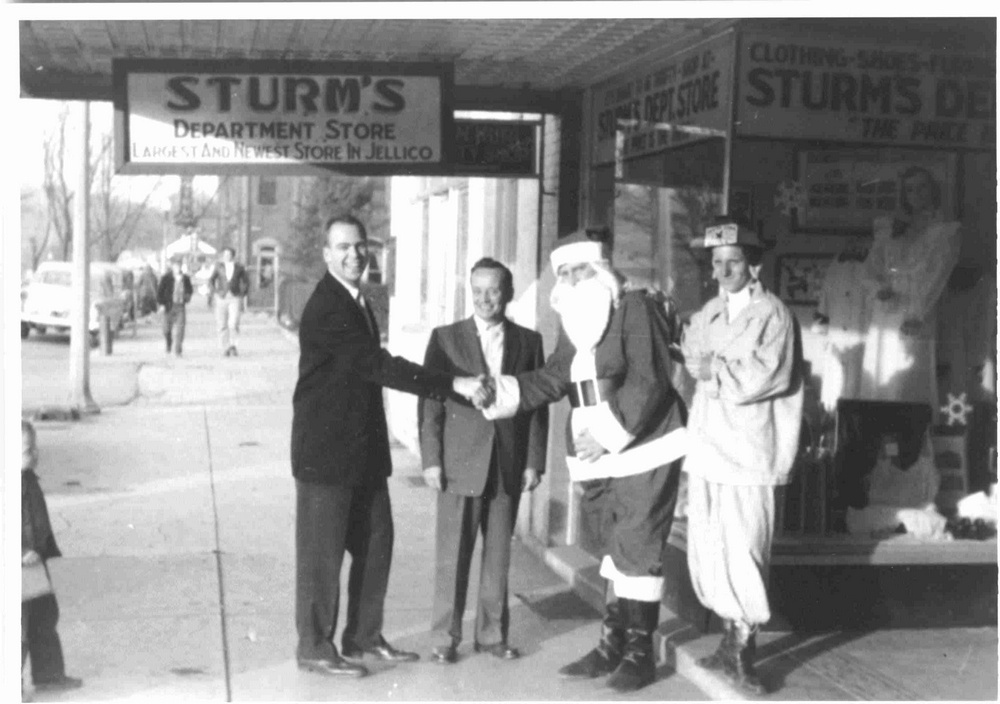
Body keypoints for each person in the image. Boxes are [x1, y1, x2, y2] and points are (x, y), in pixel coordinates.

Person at [482, 228, 687, 692]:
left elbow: (650, 381)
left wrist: (609, 433)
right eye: (565, 273)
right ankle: (611, 644)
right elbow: (556, 377)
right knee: (616, 546)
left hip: (642, 444)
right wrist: (502, 391)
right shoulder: (574, 318)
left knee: (638, 544)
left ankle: (640, 652)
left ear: (601, 269)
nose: (573, 280)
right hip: (595, 453)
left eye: (580, 270)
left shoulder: (635, 307)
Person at [291, 214, 490, 679]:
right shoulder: (327, 307)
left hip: (361, 453)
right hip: (326, 456)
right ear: (326, 254)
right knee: (322, 556)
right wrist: (453, 383)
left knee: (377, 542)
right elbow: (378, 366)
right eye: (342, 247)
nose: (354, 254)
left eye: (360, 245)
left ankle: (362, 636)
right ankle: (314, 647)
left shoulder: (355, 300)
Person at [680, 221, 803, 695]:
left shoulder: (773, 315)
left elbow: (764, 376)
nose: (723, 270)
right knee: (711, 546)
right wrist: (700, 366)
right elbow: (689, 356)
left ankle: (745, 648)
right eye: (716, 262)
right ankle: (728, 641)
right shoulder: (709, 312)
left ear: (753, 265)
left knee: (746, 546)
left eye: (732, 261)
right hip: (709, 445)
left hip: (750, 449)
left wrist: (714, 370)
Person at [420, 258, 548, 665]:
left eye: (493, 290)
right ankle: (445, 637)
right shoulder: (445, 338)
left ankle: (492, 635)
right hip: (459, 463)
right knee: (451, 557)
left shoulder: (529, 343)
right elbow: (431, 401)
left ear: (507, 293)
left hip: (506, 464)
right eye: (477, 290)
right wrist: (432, 460)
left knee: (498, 558)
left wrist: (533, 461)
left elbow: (537, 407)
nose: (484, 299)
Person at [859, 166, 961, 408]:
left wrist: (918, 313)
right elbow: (870, 268)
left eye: (922, 187)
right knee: (881, 375)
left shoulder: (945, 232)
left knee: (908, 380)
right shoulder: (890, 229)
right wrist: (879, 288)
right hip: (885, 312)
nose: (916, 194)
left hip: (917, 310)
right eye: (910, 189)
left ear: (934, 191)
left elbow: (938, 276)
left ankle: (913, 442)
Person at [22, 420, 83, 698]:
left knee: (45, 615)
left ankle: (48, 674)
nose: (32, 454)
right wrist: (21, 550)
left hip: (36, 561)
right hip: (20, 563)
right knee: (18, 626)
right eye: (24, 449)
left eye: (33, 447)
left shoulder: (27, 478)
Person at [209, 247, 251, 357]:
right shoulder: (219, 267)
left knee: (233, 323)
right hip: (222, 297)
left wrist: (242, 293)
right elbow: (211, 280)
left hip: (234, 297)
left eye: (229, 254)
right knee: (222, 324)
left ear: (233, 256)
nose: (226, 256)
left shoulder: (239, 267)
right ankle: (225, 347)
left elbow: (246, 281)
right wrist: (216, 292)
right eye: (225, 254)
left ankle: (233, 345)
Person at [156, 256, 193, 357]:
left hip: (180, 307)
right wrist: (162, 304)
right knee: (166, 329)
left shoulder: (185, 278)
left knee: (180, 329)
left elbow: (190, 290)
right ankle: (169, 342)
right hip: (168, 306)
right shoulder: (166, 278)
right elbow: (159, 292)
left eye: (179, 265)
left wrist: (187, 297)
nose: (178, 267)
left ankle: (178, 350)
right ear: (172, 266)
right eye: (175, 265)